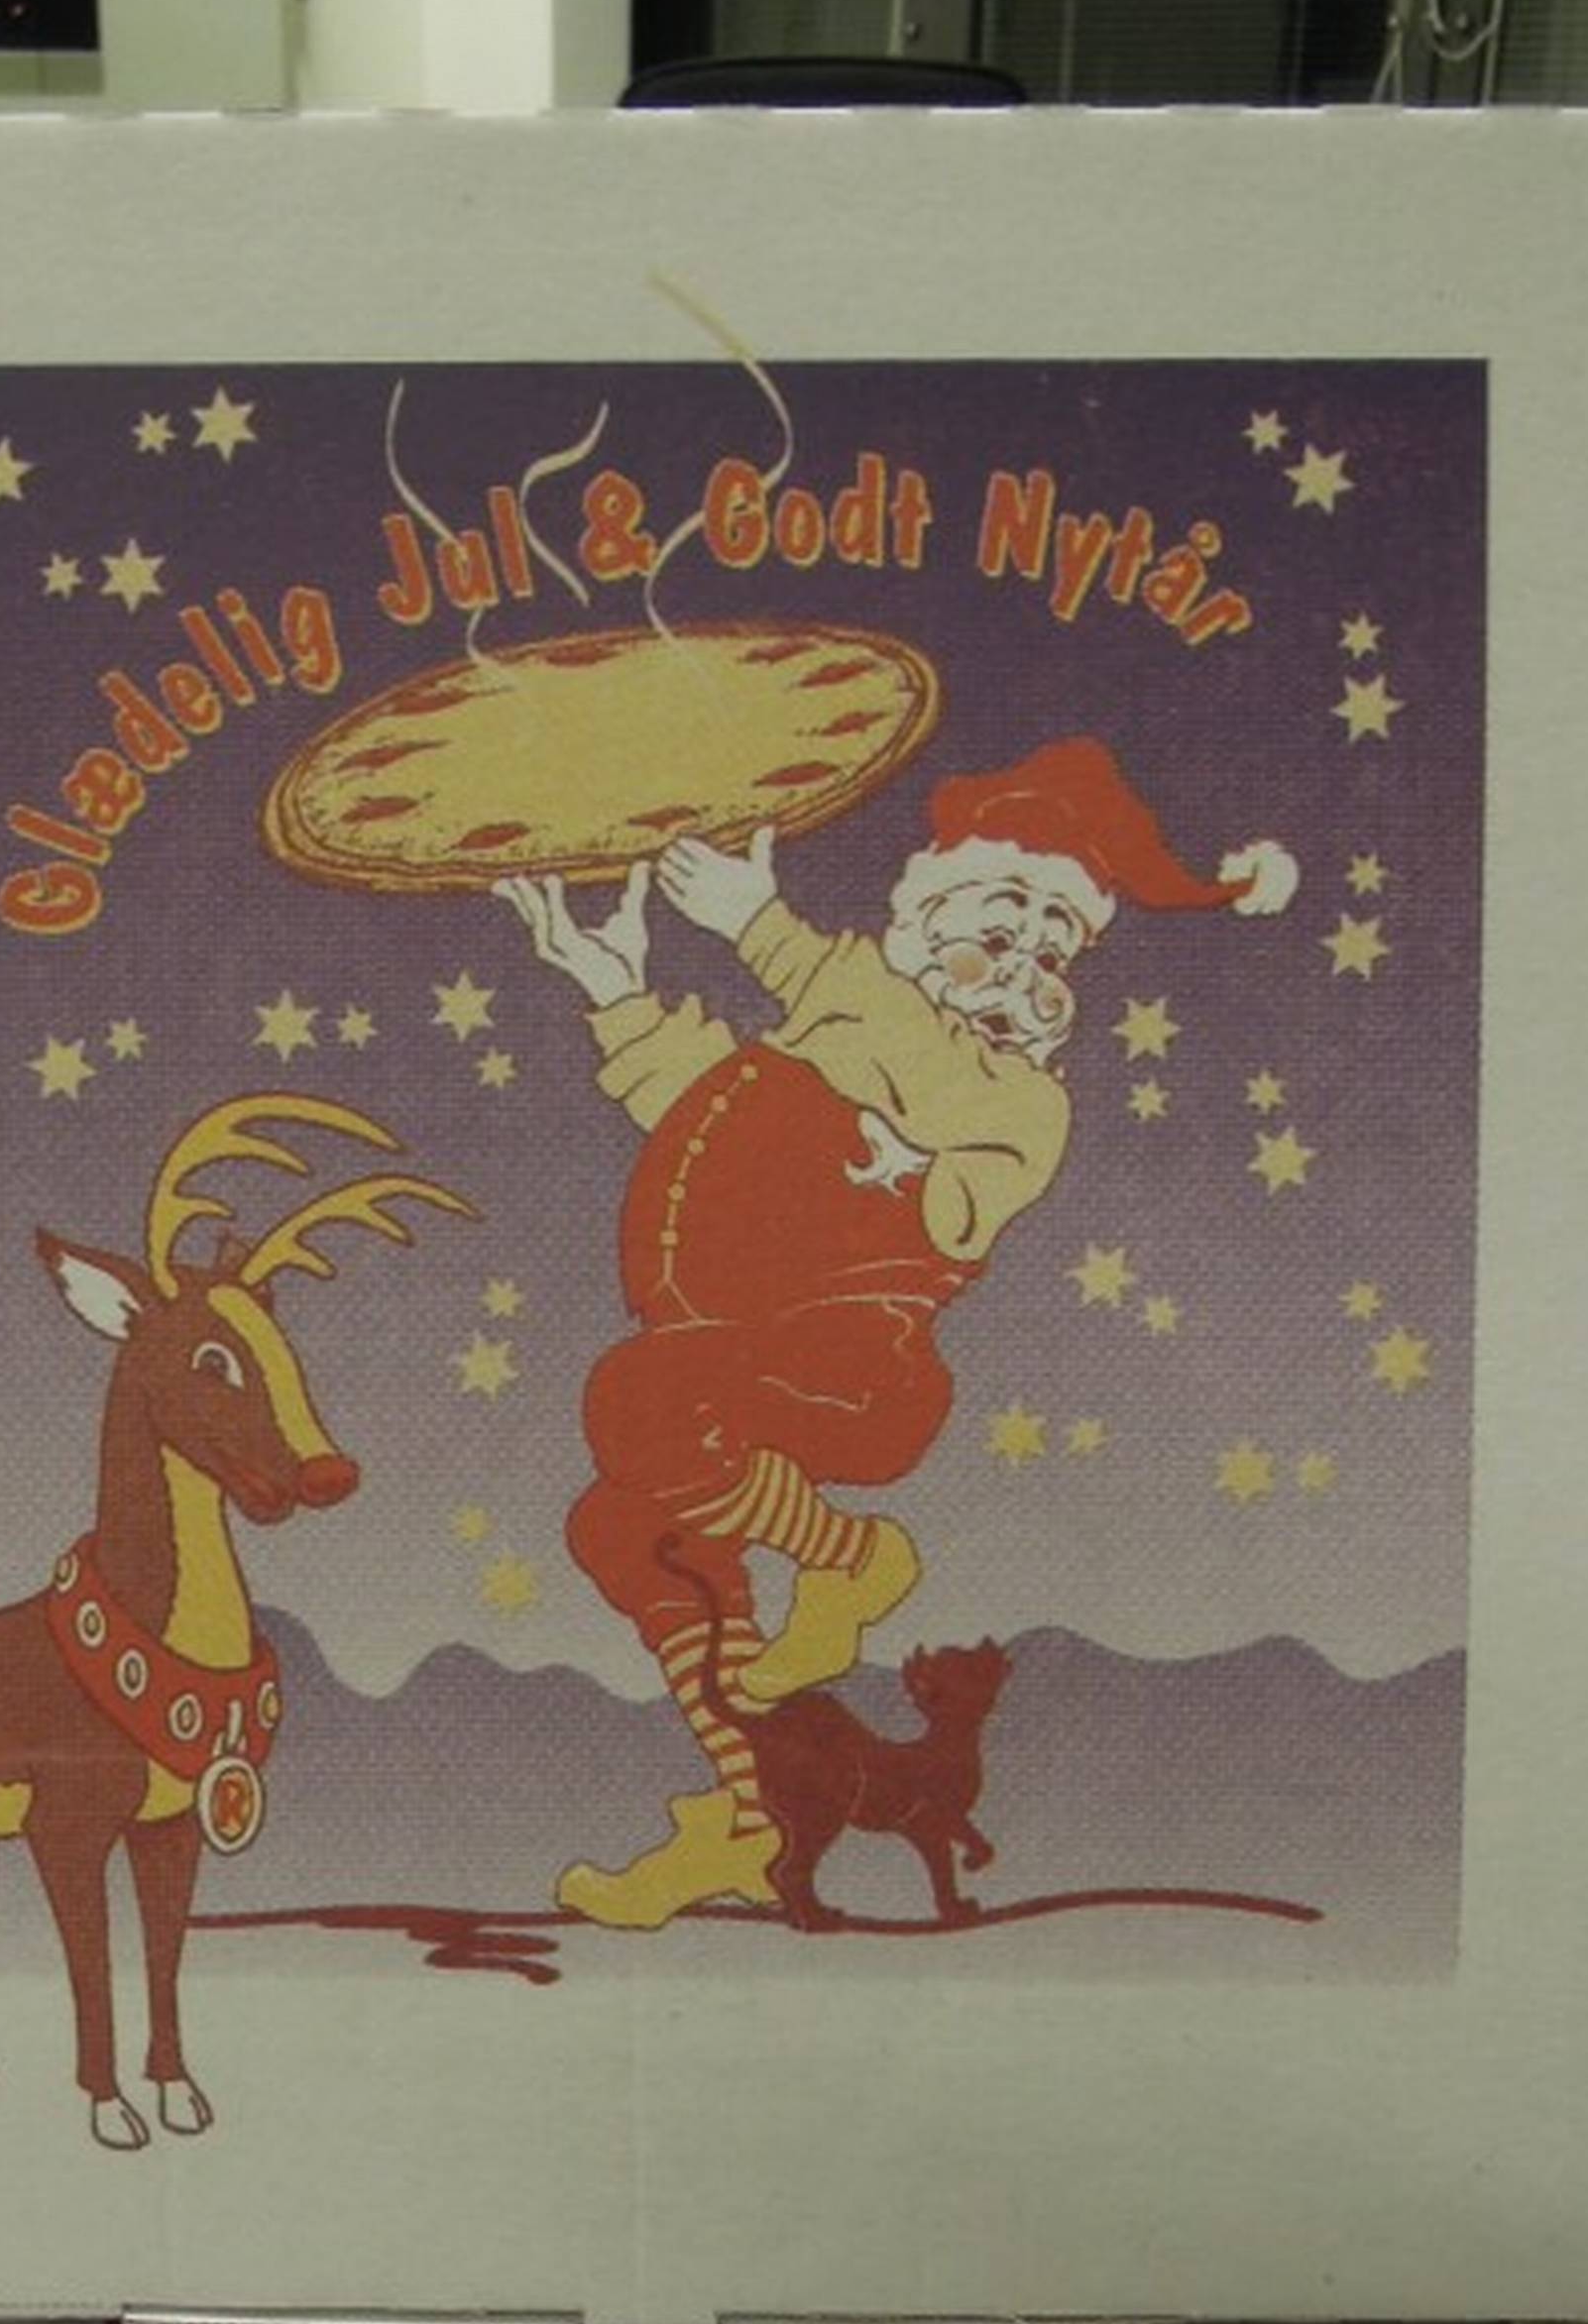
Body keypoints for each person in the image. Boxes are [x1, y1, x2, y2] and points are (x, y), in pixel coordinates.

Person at [501, 736, 1296, 1928]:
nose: (1020, 967)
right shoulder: (843, 1038)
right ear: (922, 919)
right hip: (736, 1364)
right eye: (997, 925)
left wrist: (767, 929)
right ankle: (755, 1820)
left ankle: (848, 1556)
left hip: (856, 1380)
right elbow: (711, 1114)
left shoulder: (1018, 1100)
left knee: (638, 1394)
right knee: (620, 1524)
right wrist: (618, 989)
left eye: (1052, 949)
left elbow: (915, 1078)